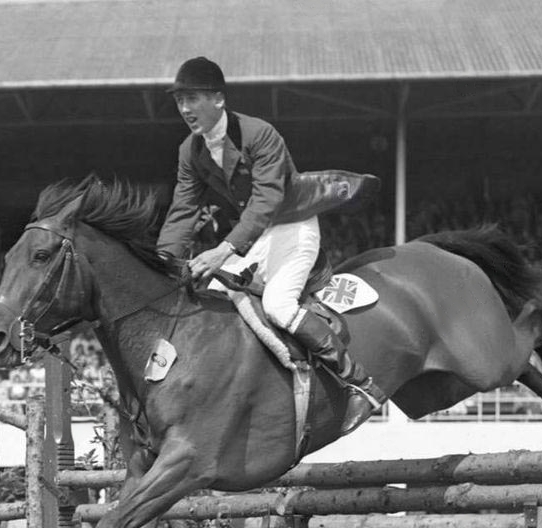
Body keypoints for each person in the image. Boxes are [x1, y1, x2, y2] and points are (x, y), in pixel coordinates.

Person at [155, 56, 385, 434]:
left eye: (192, 99)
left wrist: (223, 249)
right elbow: (183, 210)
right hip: (255, 236)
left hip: (293, 226)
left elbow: (265, 203)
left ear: (217, 99)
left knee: (278, 306)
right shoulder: (189, 151)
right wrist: (163, 261)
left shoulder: (260, 134)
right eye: (179, 101)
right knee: (210, 295)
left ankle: (359, 383)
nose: (184, 109)